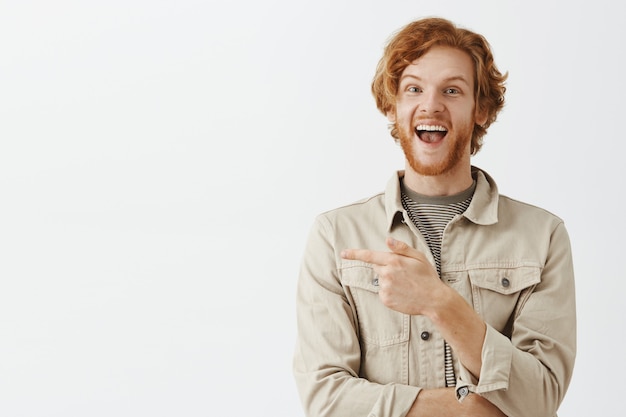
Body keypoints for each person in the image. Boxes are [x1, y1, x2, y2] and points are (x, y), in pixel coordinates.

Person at [292, 17, 576, 417]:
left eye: (452, 90)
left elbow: (541, 397)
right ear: (393, 107)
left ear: (482, 110)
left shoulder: (543, 237)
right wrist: (469, 411)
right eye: (413, 89)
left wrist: (440, 303)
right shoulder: (335, 236)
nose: (431, 105)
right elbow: (326, 399)